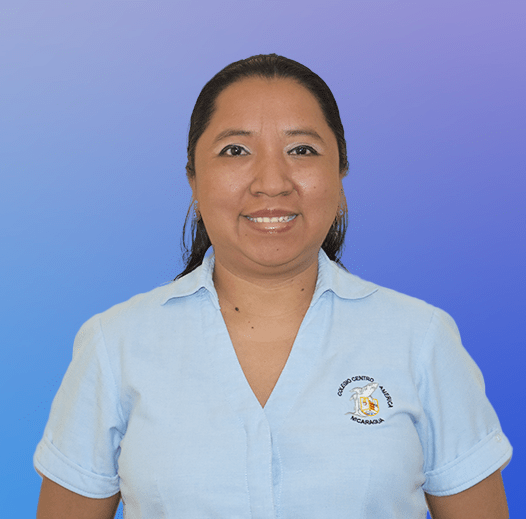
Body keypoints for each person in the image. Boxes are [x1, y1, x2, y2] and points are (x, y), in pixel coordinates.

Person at [34, 54, 512, 519]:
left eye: (301, 150)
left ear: (340, 178)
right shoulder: (116, 345)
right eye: (235, 151)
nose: (272, 182)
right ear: (194, 182)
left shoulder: (421, 340)